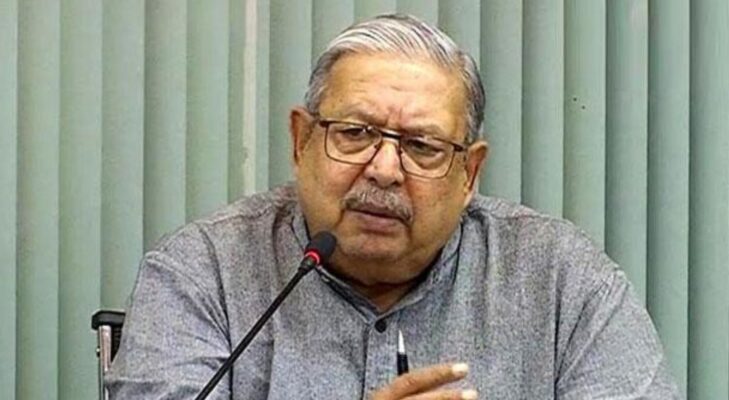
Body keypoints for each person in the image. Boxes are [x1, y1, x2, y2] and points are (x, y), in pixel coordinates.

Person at [107, 14, 680, 399]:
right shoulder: (202, 272)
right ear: (301, 141)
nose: (384, 169)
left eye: (422, 146)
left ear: (469, 173)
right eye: (355, 133)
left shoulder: (561, 280)